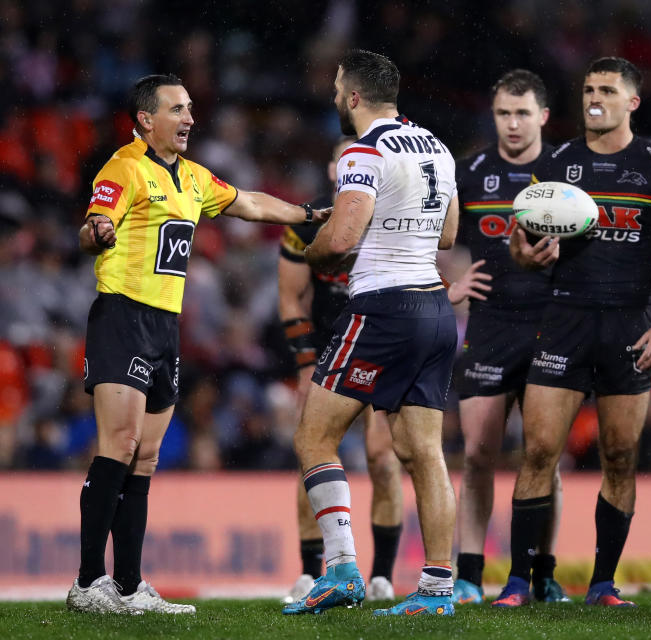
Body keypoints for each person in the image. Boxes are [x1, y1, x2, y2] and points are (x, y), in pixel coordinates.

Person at [69, 74, 323, 615]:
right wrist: (98, 233)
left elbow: (248, 202)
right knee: (119, 443)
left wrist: (305, 215)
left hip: (165, 326)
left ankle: (131, 586)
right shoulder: (124, 167)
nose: (189, 118)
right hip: (122, 316)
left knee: (148, 456)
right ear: (146, 119)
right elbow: (92, 227)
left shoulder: (191, 178)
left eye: (190, 109)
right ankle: (89, 583)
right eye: (177, 110)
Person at [493, 57, 651, 608]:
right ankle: (517, 582)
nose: (594, 98)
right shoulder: (556, 162)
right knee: (537, 451)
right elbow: (520, 245)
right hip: (564, 321)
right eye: (588, 89)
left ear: (633, 102)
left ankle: (603, 583)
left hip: (630, 328)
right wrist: (529, 254)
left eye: (607, 90)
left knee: (621, 455)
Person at [282, 49, 461, 617]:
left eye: (338, 88)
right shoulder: (436, 145)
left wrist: (312, 249)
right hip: (436, 308)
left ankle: (340, 571)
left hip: (384, 308)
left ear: (354, 97)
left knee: (313, 437)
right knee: (424, 452)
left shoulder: (364, 150)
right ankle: (436, 589)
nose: (335, 96)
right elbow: (450, 234)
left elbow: (341, 237)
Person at [451, 69, 568, 605]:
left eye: (523, 113)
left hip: (552, 322)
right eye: (503, 113)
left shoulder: (567, 173)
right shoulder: (470, 172)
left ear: (543, 116)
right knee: (478, 453)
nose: (513, 123)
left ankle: (542, 573)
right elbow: (434, 233)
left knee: (543, 456)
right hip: (492, 322)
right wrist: (448, 280)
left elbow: (599, 242)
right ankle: (470, 575)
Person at [278, 136, 403, 603]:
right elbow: (290, 296)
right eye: (344, 162)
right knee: (311, 452)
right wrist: (306, 363)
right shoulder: (306, 222)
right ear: (335, 171)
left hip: (383, 349)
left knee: (383, 458)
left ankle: (382, 576)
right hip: (330, 354)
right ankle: (311, 571)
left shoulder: (392, 219)